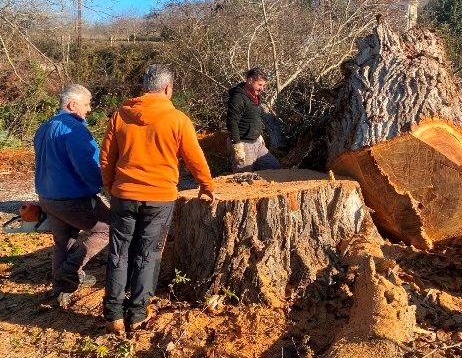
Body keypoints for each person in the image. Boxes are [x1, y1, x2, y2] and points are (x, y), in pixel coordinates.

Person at [100, 64, 216, 334]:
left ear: (145, 87)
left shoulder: (120, 115)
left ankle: (113, 314)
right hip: (159, 198)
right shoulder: (177, 119)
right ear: (168, 88)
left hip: (123, 196)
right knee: (148, 253)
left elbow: (106, 156)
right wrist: (206, 186)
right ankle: (138, 312)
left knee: (119, 253)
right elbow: (194, 158)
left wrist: (109, 185)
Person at [34, 84, 110, 308]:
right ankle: (67, 273)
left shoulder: (45, 127)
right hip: (72, 198)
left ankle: (60, 291)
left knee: (63, 243)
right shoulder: (74, 130)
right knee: (108, 228)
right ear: (72, 104)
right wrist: (105, 186)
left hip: (48, 196)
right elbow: (87, 167)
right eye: (86, 104)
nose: (89, 109)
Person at [226, 68, 280, 173]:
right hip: (244, 143)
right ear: (250, 80)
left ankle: (262, 189)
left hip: (256, 143)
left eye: (263, 85)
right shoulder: (238, 98)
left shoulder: (255, 97)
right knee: (243, 177)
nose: (262, 88)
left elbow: (253, 118)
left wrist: (258, 135)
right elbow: (231, 122)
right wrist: (237, 146)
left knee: (273, 166)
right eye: (260, 85)